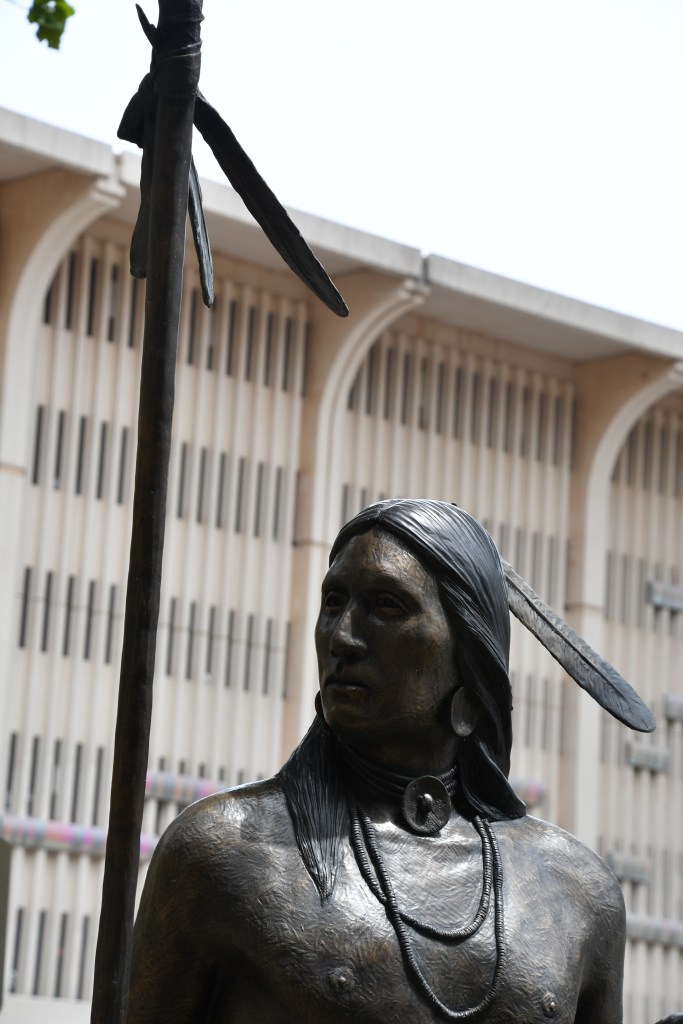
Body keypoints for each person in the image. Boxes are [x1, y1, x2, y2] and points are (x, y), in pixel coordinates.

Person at [127, 499, 628, 1023]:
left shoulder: (576, 889)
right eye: (333, 601)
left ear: (471, 652)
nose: (342, 637)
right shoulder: (223, 853)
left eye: (387, 606)